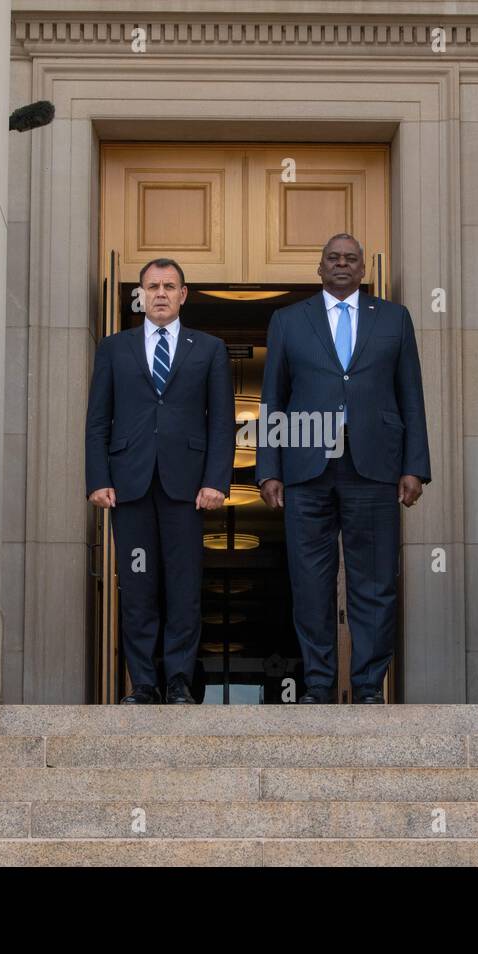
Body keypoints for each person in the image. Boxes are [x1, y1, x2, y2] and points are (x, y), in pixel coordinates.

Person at [256, 234, 431, 703]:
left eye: (350, 259)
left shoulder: (394, 318)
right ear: (319, 268)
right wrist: (269, 468)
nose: (341, 265)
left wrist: (415, 466)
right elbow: (273, 396)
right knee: (311, 584)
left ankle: (369, 686)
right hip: (305, 470)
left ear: (362, 270)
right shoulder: (288, 321)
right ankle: (317, 685)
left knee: (373, 582)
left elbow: (410, 396)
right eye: (332, 258)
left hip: (375, 469)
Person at [85, 258, 234, 704]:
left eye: (170, 286)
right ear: (141, 294)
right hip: (128, 489)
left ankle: (179, 682)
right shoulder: (115, 348)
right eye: (153, 286)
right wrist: (98, 477)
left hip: (187, 490)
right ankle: (144, 684)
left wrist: (216, 481)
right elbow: (97, 421)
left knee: (184, 588)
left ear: (184, 294)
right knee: (137, 585)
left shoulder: (208, 349)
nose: (161, 293)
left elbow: (222, 423)